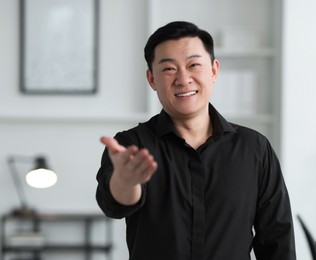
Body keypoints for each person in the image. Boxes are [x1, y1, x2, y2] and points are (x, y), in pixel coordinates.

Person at [96, 21, 296, 260]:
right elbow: (113, 205)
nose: (183, 79)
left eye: (194, 65)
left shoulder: (254, 148)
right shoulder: (131, 146)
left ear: (213, 71)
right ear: (151, 79)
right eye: (169, 69)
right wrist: (126, 182)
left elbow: (277, 241)